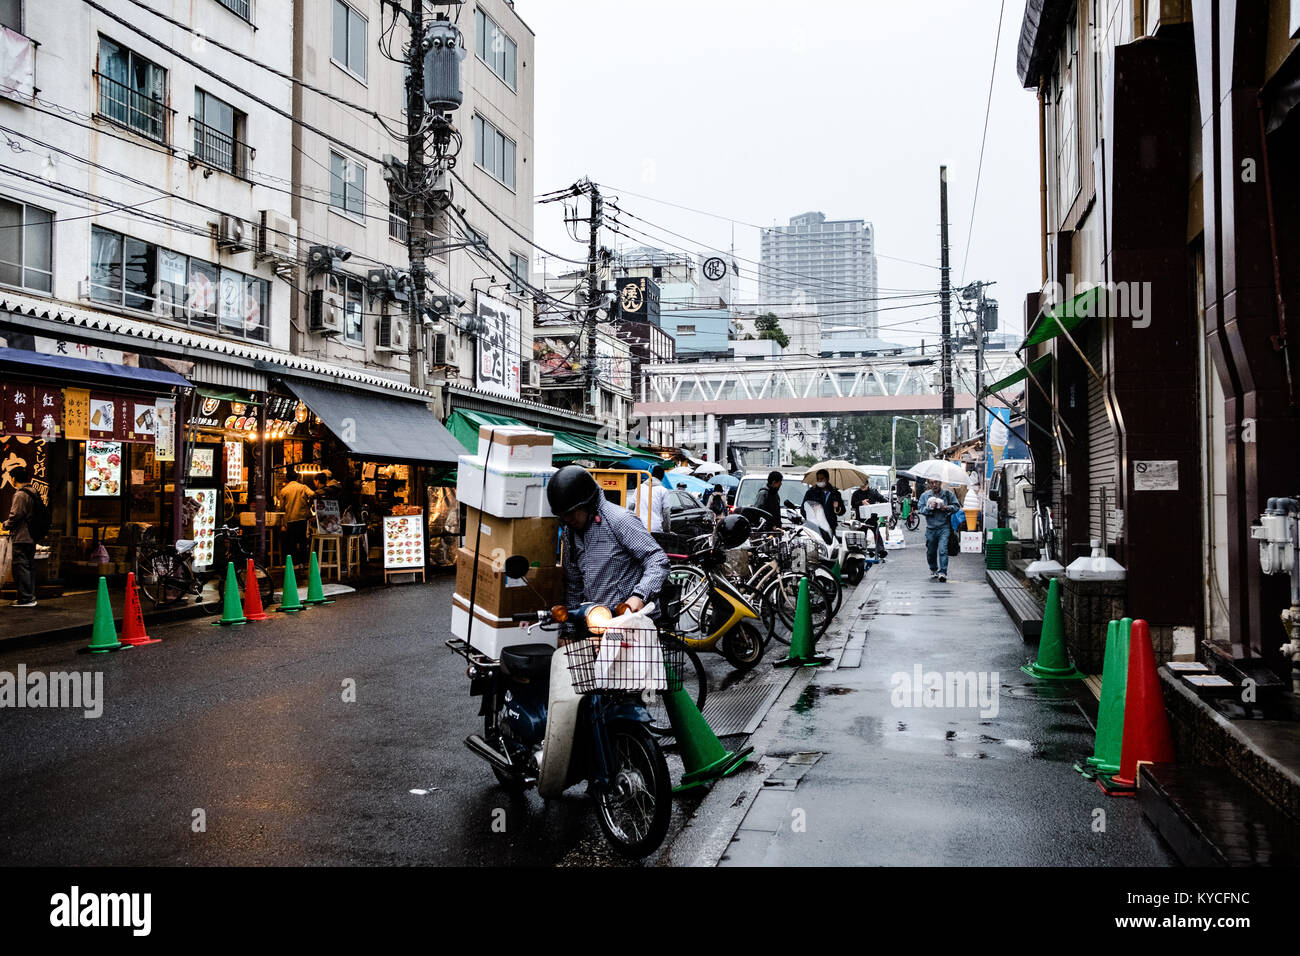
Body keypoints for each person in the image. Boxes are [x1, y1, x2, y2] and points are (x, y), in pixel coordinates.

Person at [549, 465, 670, 614]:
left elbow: (657, 559)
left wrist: (639, 596)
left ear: (588, 504)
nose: (568, 519)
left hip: (630, 619)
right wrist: (569, 626)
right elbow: (573, 585)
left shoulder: (619, 520)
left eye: (572, 513)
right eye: (564, 515)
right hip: (596, 621)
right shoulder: (570, 534)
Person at [3, 466, 39, 607]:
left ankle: (25, 598)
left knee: (21, 567)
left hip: (22, 536)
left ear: (13, 479)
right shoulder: (33, 491)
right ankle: (30, 596)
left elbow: (16, 515)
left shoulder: (20, 494)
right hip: (32, 535)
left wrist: (6, 525)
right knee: (29, 566)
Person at [918, 478, 961, 582]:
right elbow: (920, 509)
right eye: (931, 483)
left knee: (943, 550)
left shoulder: (947, 494)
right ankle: (933, 568)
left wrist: (946, 507)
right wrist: (929, 508)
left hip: (944, 527)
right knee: (931, 551)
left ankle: (943, 572)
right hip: (931, 528)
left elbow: (956, 507)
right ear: (928, 484)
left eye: (936, 482)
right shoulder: (925, 496)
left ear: (940, 483)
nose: (934, 485)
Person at [278, 473, 315, 566]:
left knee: (292, 543)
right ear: (297, 478)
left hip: (290, 519)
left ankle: (294, 564)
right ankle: (303, 563)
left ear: (286, 479)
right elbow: (313, 495)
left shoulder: (283, 490)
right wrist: (308, 504)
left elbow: (282, 507)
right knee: (302, 541)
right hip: (302, 518)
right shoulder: (303, 487)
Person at [628, 464, 673, 533]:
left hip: (638, 527)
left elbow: (631, 507)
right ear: (662, 478)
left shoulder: (639, 487)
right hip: (655, 529)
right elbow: (666, 512)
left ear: (652, 474)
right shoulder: (663, 490)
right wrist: (667, 530)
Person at [851, 482, 888, 559]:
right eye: (861, 485)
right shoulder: (856, 493)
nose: (863, 487)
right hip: (861, 518)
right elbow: (853, 504)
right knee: (861, 535)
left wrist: (886, 503)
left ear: (868, 485)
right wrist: (861, 502)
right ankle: (861, 551)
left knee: (877, 533)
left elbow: (881, 499)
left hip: (872, 518)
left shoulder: (873, 492)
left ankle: (880, 550)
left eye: (864, 485)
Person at [802, 468, 845, 534]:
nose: (819, 481)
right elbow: (803, 509)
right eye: (818, 479)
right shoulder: (811, 493)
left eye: (821, 479)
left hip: (830, 527)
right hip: (815, 527)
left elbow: (842, 511)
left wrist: (836, 507)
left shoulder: (835, 493)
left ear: (827, 479)